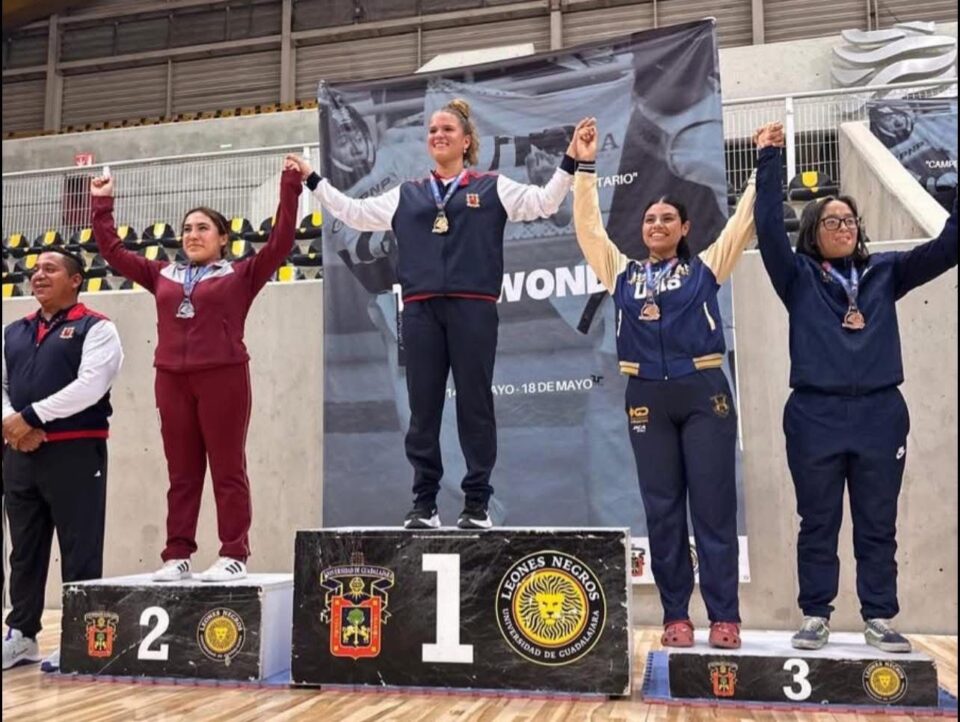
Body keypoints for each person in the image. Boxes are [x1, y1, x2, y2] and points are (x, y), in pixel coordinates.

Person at [287, 101, 590, 530]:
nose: (438, 135)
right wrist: (313, 179)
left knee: (474, 405)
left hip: (474, 308)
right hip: (419, 311)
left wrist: (571, 159)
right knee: (423, 410)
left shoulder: (493, 187)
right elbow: (353, 213)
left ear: (466, 141)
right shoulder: (407, 193)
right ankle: (424, 504)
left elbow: (544, 202)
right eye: (432, 130)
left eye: (447, 129)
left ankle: (478, 504)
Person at [572, 120, 783, 649]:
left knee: (713, 508)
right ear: (642, 229)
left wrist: (764, 162)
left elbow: (742, 221)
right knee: (662, 511)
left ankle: (725, 616)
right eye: (650, 219)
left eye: (668, 218)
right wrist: (585, 167)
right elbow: (589, 229)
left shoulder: (706, 268)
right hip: (646, 397)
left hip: (703, 392)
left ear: (685, 228)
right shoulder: (621, 273)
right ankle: (676, 616)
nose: (657, 224)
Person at [754, 144, 958, 652]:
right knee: (818, 521)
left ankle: (879, 617)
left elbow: (949, 247)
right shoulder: (797, 277)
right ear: (813, 233)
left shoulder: (887, 272)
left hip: (880, 413)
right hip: (814, 415)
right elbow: (769, 229)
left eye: (849, 220)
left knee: (877, 522)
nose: (844, 227)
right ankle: (815, 615)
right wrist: (769, 160)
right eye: (832, 221)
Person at [90, 160, 302, 583]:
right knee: (181, 472)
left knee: (227, 468)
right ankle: (178, 555)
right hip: (171, 378)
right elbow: (112, 251)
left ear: (223, 238)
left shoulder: (241, 274)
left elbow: (281, 241)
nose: (192, 235)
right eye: (187, 228)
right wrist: (102, 203)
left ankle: (234, 553)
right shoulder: (162, 274)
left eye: (203, 228)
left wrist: (291, 184)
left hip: (223, 376)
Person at [2, 249, 123, 672]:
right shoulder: (13, 331)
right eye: (35, 269)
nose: (38, 275)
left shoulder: (98, 328)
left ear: (75, 280)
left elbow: (90, 386)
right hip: (20, 453)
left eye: (50, 269)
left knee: (80, 549)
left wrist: (30, 417)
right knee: (24, 551)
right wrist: (13, 425)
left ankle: (79, 640)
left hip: (76, 452)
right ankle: (21, 635)